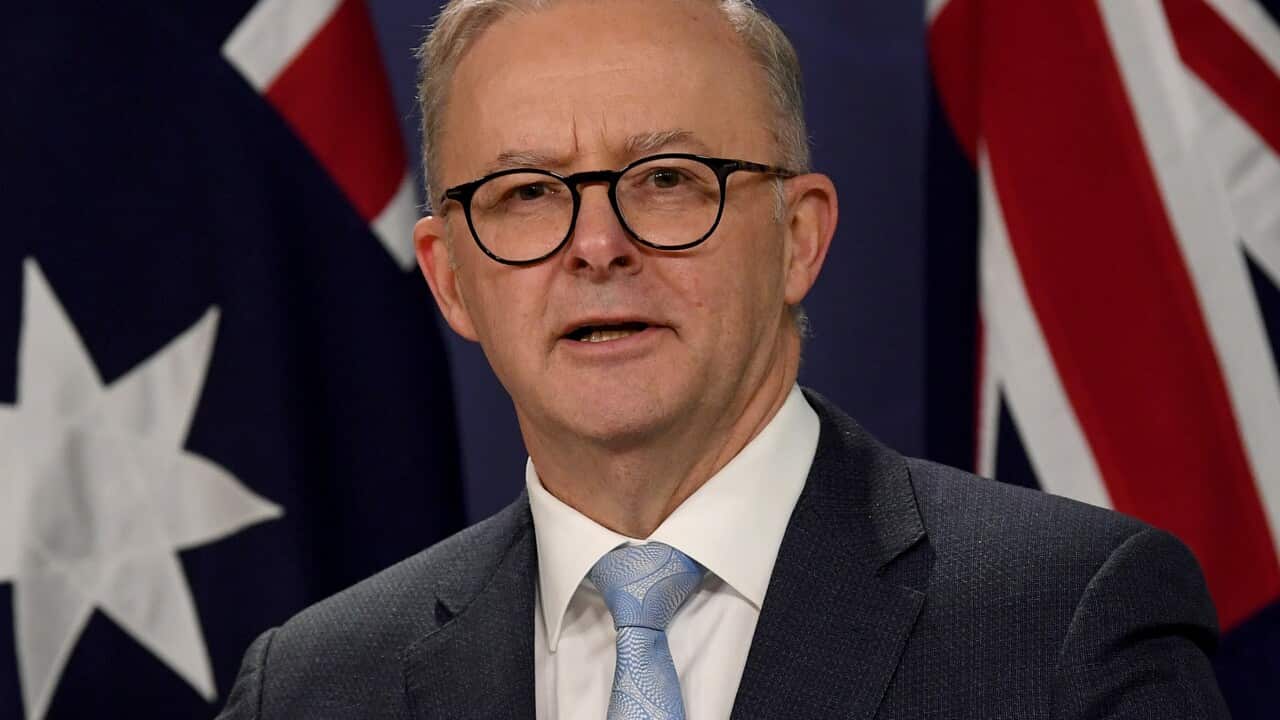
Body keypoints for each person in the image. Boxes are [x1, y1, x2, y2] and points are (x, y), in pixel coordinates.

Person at [218, 0, 1229, 717]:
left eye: (666, 179)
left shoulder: (1061, 623)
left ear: (797, 237)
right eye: (526, 192)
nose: (597, 245)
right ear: (447, 277)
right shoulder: (310, 688)